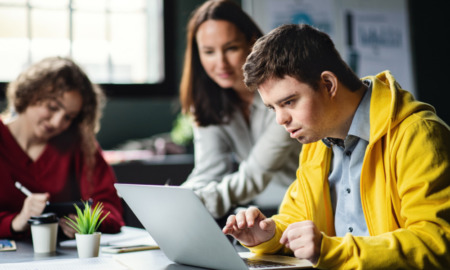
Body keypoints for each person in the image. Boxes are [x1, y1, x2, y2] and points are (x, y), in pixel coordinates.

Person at [223, 24, 450, 269]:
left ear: (329, 84)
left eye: (288, 102)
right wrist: (268, 235)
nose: (280, 119)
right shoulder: (317, 143)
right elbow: (297, 219)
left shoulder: (418, 134)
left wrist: (330, 250)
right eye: (273, 108)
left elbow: (437, 243)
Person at [179, 0, 301, 220]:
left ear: (253, 43)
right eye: (208, 52)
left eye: (231, 48)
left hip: (315, 204)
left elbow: (255, 174)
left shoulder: (284, 94)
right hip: (275, 210)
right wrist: (177, 200)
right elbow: (208, 171)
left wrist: (193, 205)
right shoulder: (208, 102)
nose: (221, 63)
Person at [0, 56, 125, 239]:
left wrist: (85, 221)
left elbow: (110, 208)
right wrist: (16, 221)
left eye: (69, 117)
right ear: (29, 94)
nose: (58, 122)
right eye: (52, 107)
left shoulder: (79, 144)